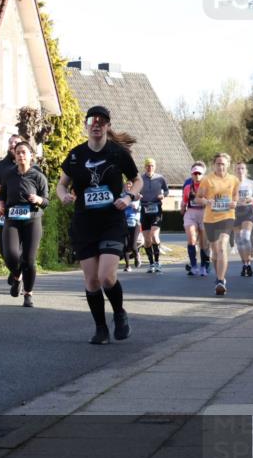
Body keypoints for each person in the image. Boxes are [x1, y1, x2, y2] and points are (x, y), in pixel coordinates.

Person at [56, 105, 141, 345]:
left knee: (106, 277)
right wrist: (63, 195)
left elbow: (137, 180)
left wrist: (128, 197)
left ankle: (120, 313)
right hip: (85, 224)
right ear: (86, 125)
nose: (96, 124)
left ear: (107, 126)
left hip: (112, 221)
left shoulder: (117, 153)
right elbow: (62, 184)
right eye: (92, 120)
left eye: (102, 121)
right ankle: (101, 328)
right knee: (91, 281)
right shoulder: (75, 155)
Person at [0, 140, 49, 307]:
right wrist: (1, 205)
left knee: (29, 259)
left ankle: (28, 294)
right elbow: (2, 194)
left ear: (31, 156)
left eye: (24, 152)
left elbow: (47, 200)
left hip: (32, 219)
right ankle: (16, 275)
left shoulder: (38, 176)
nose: (20, 155)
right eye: (18, 152)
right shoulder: (8, 174)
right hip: (12, 218)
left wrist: (39, 199)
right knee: (10, 254)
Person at [197, 152, 240, 295]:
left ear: (228, 165)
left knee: (222, 247)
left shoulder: (234, 180)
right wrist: (206, 201)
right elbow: (198, 198)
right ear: (213, 165)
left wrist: (234, 203)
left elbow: (235, 197)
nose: (220, 166)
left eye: (223, 163)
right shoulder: (207, 180)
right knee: (215, 253)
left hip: (227, 217)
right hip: (210, 219)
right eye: (218, 163)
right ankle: (219, 277)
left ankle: (221, 280)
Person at [0, 134, 24, 262]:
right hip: (2, 211)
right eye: (10, 142)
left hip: (21, 211)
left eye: (16, 142)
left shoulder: (29, 166)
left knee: (20, 246)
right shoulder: (0, 166)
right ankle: (15, 270)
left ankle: (18, 272)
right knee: (2, 245)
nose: (12, 145)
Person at [139, 158, 169, 273]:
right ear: (145, 167)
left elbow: (166, 191)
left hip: (156, 209)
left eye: (151, 165)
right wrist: (137, 195)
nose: (149, 167)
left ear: (154, 167)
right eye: (147, 166)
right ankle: (151, 263)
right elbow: (136, 191)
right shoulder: (140, 179)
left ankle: (157, 262)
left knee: (154, 236)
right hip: (144, 209)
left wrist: (163, 196)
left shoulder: (160, 178)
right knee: (147, 240)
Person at [182, 162, 211, 276]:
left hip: (204, 213)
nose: (197, 176)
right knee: (192, 239)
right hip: (191, 213)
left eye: (199, 174)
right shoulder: (188, 187)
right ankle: (194, 266)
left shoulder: (208, 187)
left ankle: (204, 266)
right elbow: (184, 201)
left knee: (204, 243)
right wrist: (182, 208)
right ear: (192, 175)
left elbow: (212, 202)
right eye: (195, 174)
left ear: (203, 175)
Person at [233, 161, 253, 277]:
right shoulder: (231, 183)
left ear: (246, 170)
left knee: (245, 237)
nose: (240, 171)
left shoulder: (251, 183)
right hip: (235, 211)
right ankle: (245, 264)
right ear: (235, 170)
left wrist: (252, 198)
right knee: (239, 240)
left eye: (242, 168)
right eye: (238, 168)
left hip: (248, 210)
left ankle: (249, 262)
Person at [122, 181, 142, 272]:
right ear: (124, 186)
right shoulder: (121, 195)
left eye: (130, 185)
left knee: (133, 245)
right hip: (124, 222)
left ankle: (137, 255)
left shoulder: (137, 195)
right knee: (125, 245)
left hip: (134, 222)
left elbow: (135, 206)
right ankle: (127, 266)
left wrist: (126, 203)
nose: (128, 187)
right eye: (127, 185)